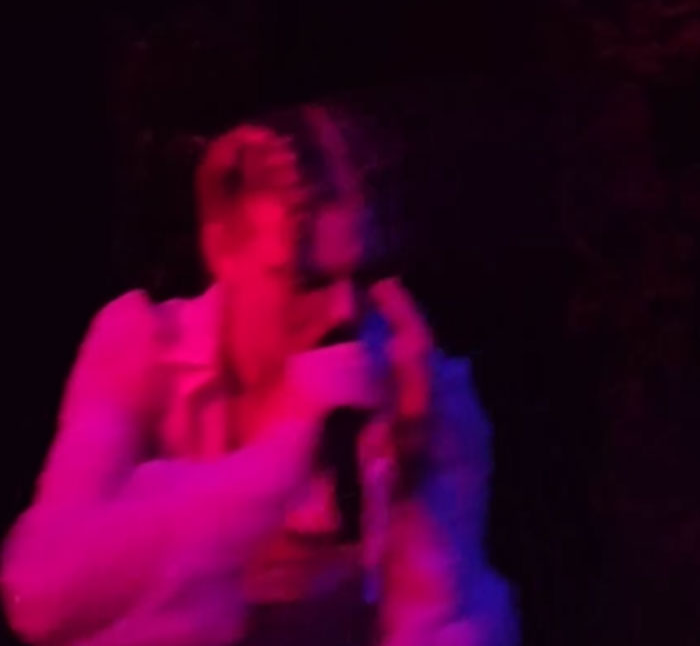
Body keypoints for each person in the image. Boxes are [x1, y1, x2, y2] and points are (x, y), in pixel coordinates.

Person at [2, 109, 517, 646]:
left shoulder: (411, 381)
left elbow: (444, 626)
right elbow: (40, 594)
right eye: (305, 279)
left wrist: (418, 483)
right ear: (222, 249)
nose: (344, 311)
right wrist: (273, 462)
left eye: (363, 276)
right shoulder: (143, 347)